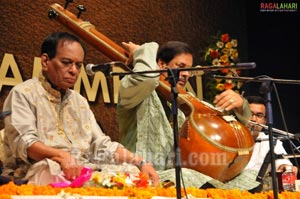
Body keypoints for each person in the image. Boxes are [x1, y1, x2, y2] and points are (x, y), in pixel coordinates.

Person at [0, 32, 159, 186]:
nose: (74, 70)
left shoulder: (79, 101)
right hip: (38, 170)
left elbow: (101, 144)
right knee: (50, 169)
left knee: (134, 173)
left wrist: (140, 161)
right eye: (66, 62)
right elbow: (26, 143)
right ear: (45, 61)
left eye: (78, 65)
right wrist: (61, 156)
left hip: (83, 169)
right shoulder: (23, 93)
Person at [117, 41, 255, 189]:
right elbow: (147, 79)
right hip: (144, 175)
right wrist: (144, 51)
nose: (186, 74)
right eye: (181, 67)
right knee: (189, 177)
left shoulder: (188, 101)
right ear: (162, 65)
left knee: (252, 176)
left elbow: (230, 124)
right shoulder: (136, 93)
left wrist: (241, 106)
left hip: (177, 179)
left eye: (188, 69)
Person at [245, 95, 297, 190]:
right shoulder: (226, 138)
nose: (253, 119)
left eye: (259, 115)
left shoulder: (271, 142)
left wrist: (285, 167)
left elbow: (282, 163)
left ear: (265, 121)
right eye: (249, 113)